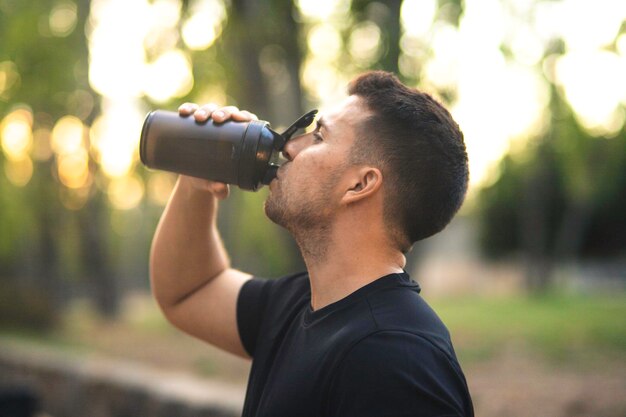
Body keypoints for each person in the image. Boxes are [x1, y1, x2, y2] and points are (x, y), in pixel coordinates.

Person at [150, 71, 474, 416]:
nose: (289, 147)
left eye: (318, 137)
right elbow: (187, 292)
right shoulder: (298, 305)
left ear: (360, 184)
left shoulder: (395, 361)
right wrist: (197, 176)